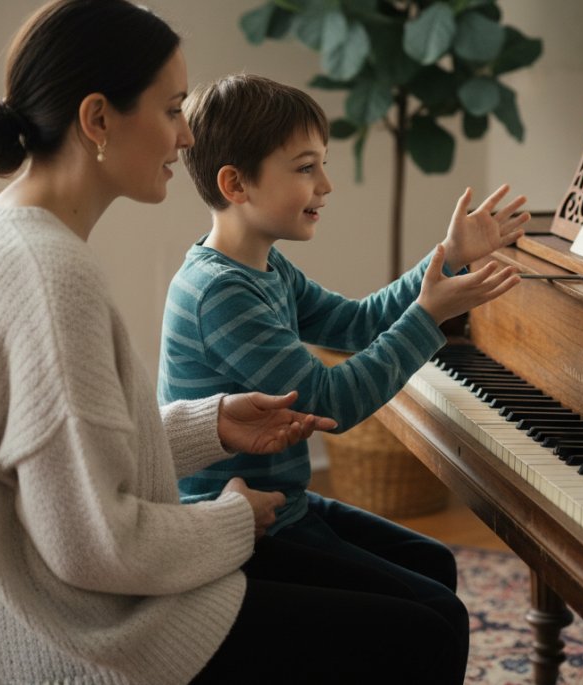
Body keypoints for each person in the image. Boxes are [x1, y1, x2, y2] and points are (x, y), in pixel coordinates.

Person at [0, 2, 471, 683]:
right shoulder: (52, 279)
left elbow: (69, 458)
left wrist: (206, 423)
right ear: (97, 120)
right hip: (87, 632)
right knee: (424, 631)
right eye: (173, 109)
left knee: (426, 595)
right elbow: (95, 544)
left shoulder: (0, 231)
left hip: (70, 599)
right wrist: (233, 519)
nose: (187, 139)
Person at [158, 73, 529, 683]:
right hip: (243, 523)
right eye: (306, 168)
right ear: (235, 183)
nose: (325, 185)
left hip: (288, 505)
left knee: (431, 562)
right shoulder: (218, 293)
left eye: (322, 165)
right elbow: (332, 403)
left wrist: (449, 255)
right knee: (439, 617)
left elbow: (357, 324)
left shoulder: (263, 267)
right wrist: (431, 314)